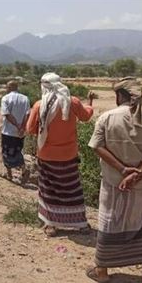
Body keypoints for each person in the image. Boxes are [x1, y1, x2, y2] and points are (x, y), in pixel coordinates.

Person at [86, 77, 142, 283]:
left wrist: (123, 170)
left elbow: (96, 146)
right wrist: (138, 173)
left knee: (110, 222)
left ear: (119, 96)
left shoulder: (106, 118)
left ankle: (102, 271)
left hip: (113, 183)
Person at [25, 72, 94, 237]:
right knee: (72, 189)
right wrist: (90, 103)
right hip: (68, 156)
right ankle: (80, 224)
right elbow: (86, 116)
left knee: (49, 190)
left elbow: (30, 129)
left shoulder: (39, 106)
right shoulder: (72, 102)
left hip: (46, 156)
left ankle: (51, 225)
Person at [0, 80, 31, 182]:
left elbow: (7, 114)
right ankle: (23, 170)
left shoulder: (5, 98)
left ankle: (9, 175)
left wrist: (17, 125)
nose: (6, 89)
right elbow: (27, 114)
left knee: (6, 152)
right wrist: (22, 127)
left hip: (8, 132)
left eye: (7, 87)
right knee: (18, 151)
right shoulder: (25, 98)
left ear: (9, 88)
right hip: (20, 133)